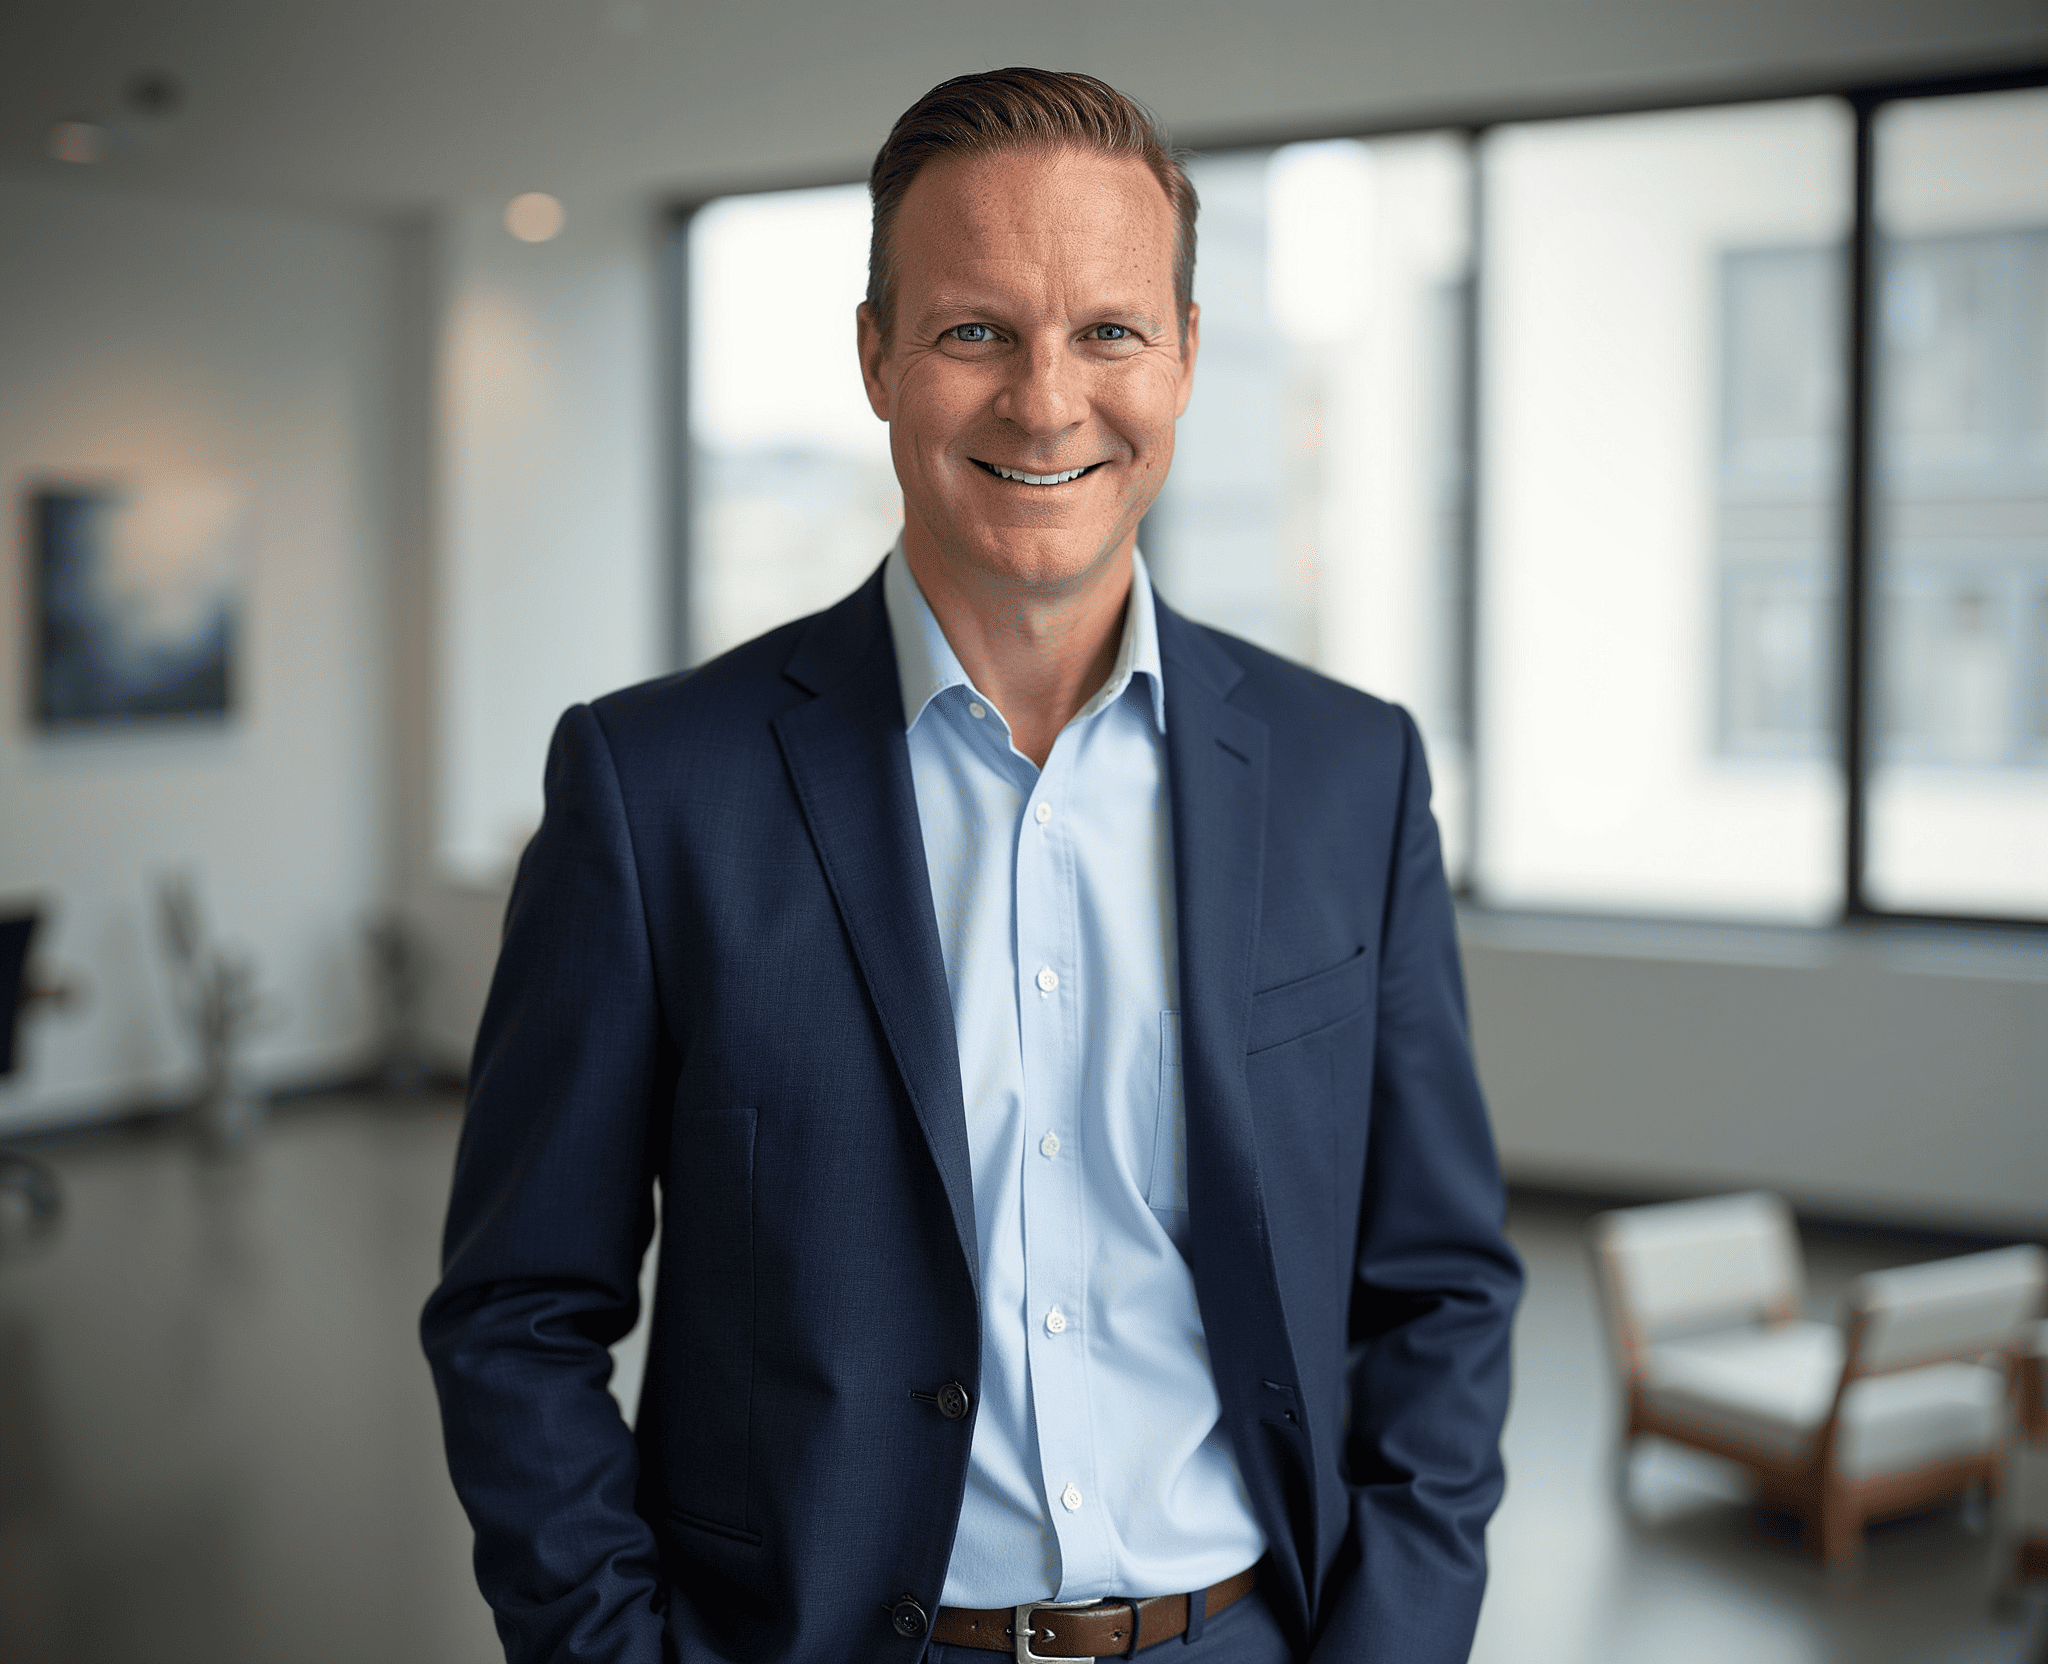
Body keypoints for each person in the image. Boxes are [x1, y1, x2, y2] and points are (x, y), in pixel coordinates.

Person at [422, 67, 1522, 1664]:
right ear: (877, 357)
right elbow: (517, 1315)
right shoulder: (654, 787)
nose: (1046, 399)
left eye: (1109, 332)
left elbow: (1439, 1291)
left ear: (1189, 357)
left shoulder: (1352, 775)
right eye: (974, 331)